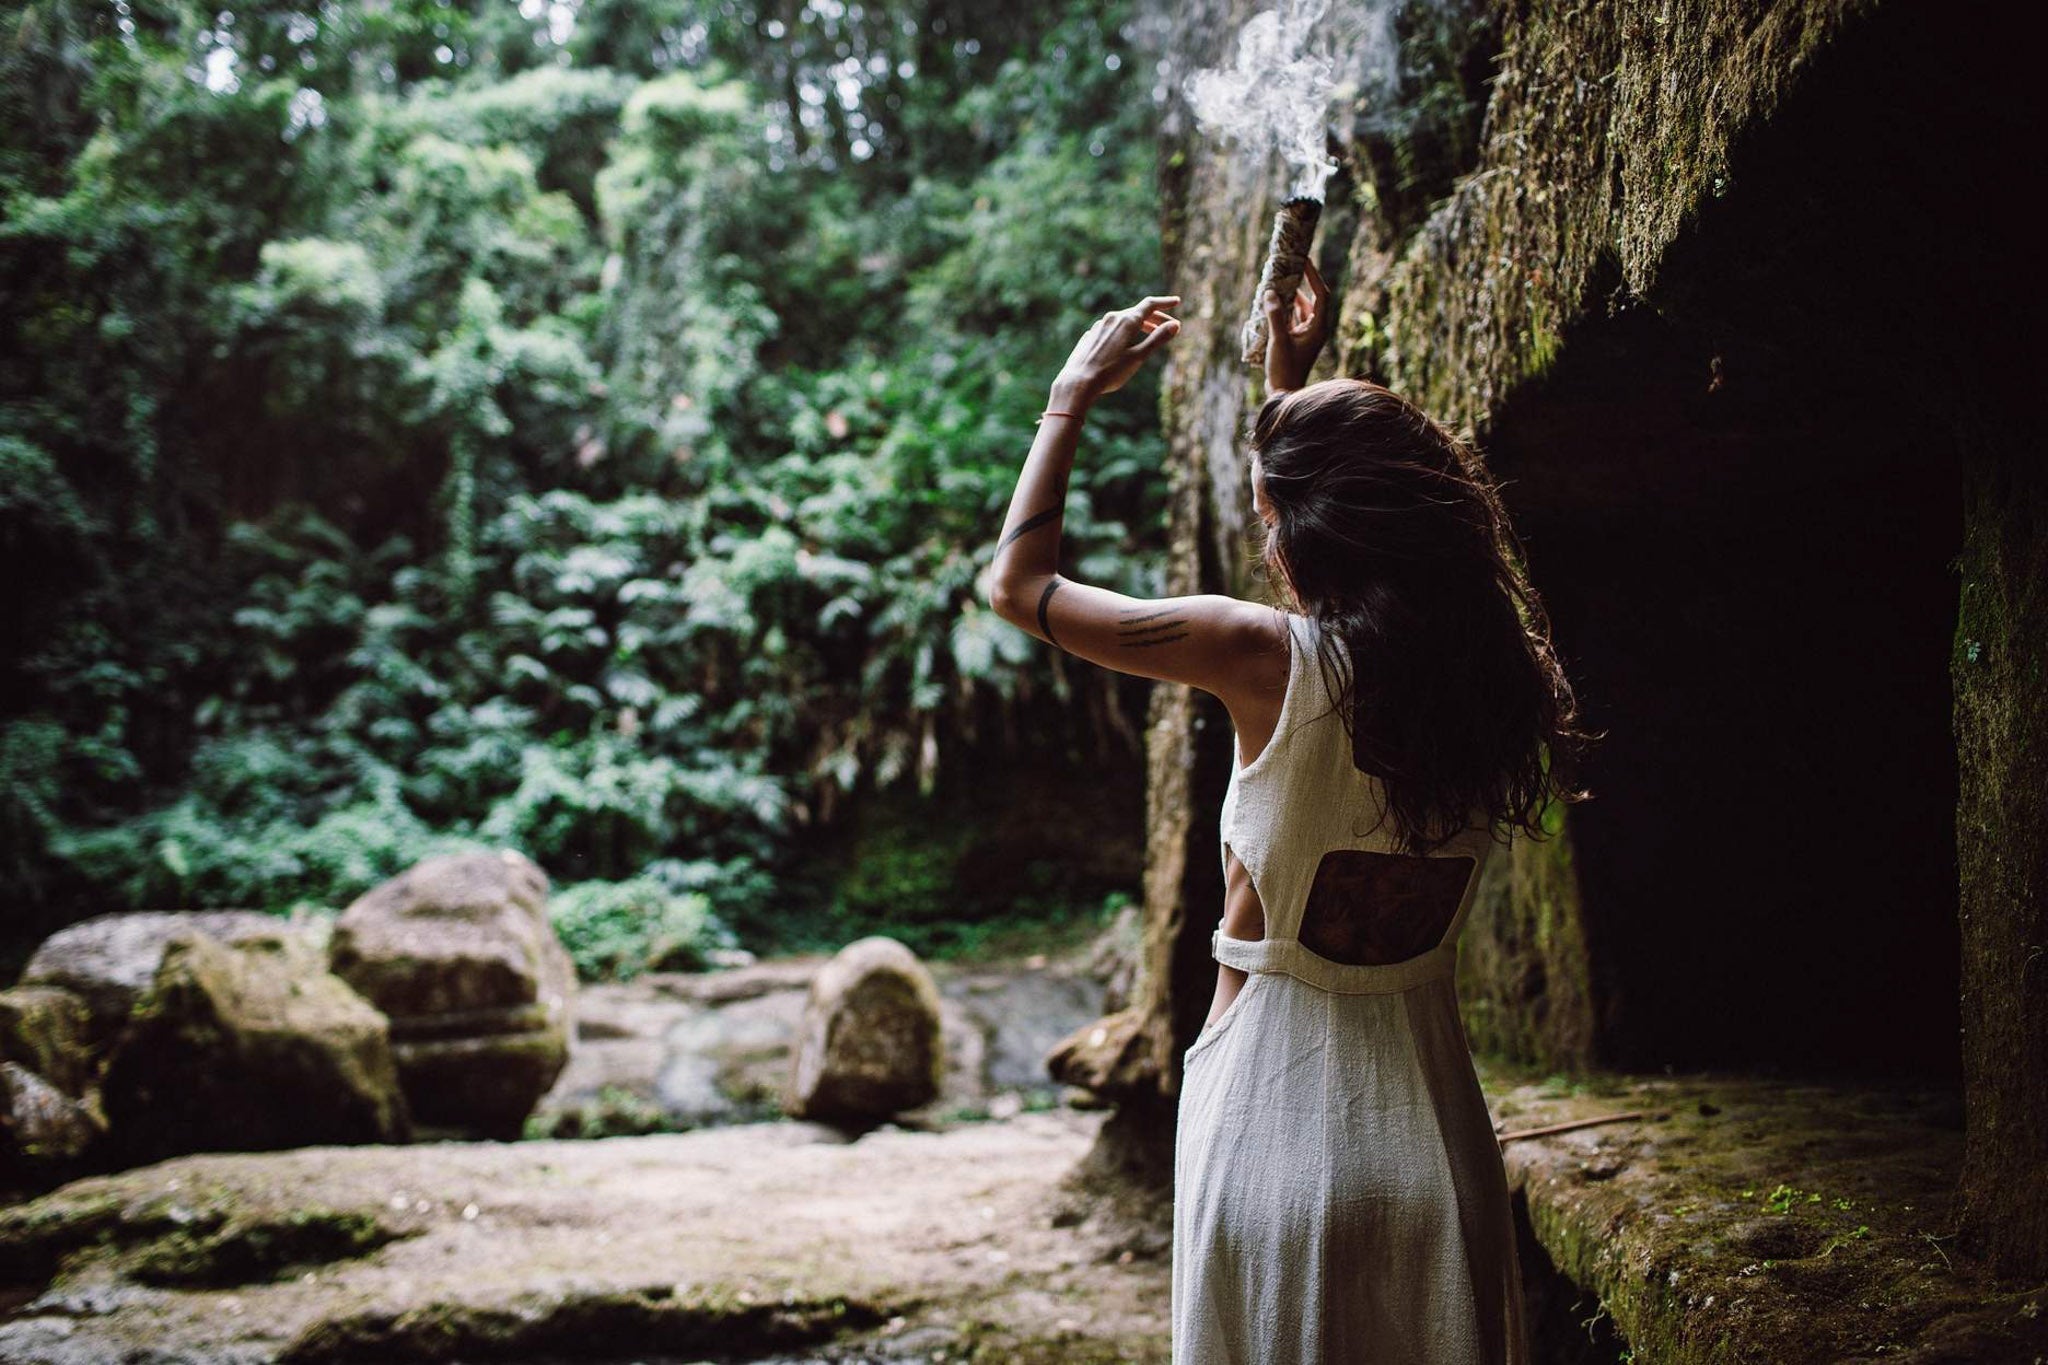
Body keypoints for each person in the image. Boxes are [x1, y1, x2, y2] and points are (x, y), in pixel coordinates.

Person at [985, 260, 1593, 1364]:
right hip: (1436, 1152)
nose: (1265, 543)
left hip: (1269, 1139)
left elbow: (1016, 589)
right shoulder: (1495, 680)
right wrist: (1288, 387)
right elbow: (1341, 605)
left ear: (1301, 530)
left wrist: (1069, 395)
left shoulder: (1255, 658)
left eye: (1271, 516)